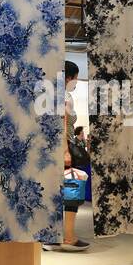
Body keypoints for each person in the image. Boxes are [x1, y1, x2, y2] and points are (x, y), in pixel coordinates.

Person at [44, 60, 89, 253]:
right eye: (75, 77)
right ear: (68, 77)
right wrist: (65, 150)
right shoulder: (63, 96)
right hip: (64, 148)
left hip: (51, 150)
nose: (76, 82)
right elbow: (62, 124)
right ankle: (68, 236)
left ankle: (51, 237)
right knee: (72, 190)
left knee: (55, 192)